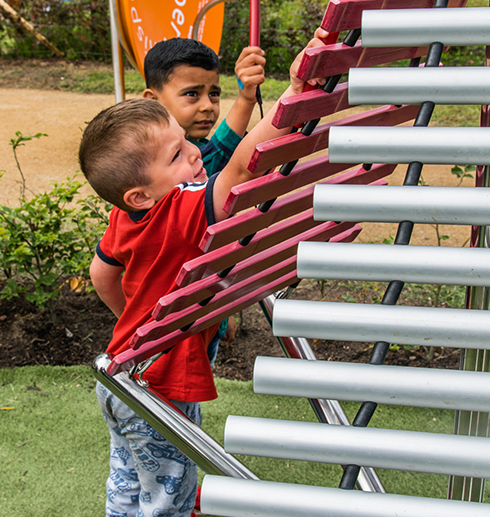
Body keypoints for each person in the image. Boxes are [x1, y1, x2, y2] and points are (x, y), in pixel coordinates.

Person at [79, 33, 326, 517]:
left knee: (129, 485)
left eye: (182, 142)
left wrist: (141, 320)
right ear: (141, 193)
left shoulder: (127, 217)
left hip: (122, 372)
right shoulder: (180, 208)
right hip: (159, 383)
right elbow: (238, 169)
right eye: (177, 156)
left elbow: (100, 274)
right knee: (168, 499)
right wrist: (296, 91)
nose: (194, 155)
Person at [142, 38, 266, 363]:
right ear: (152, 102)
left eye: (213, 93)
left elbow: (222, 146)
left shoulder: (194, 155)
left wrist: (245, 98)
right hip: (171, 322)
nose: (208, 105)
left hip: (201, 313)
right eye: (192, 94)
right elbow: (224, 151)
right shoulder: (165, 173)